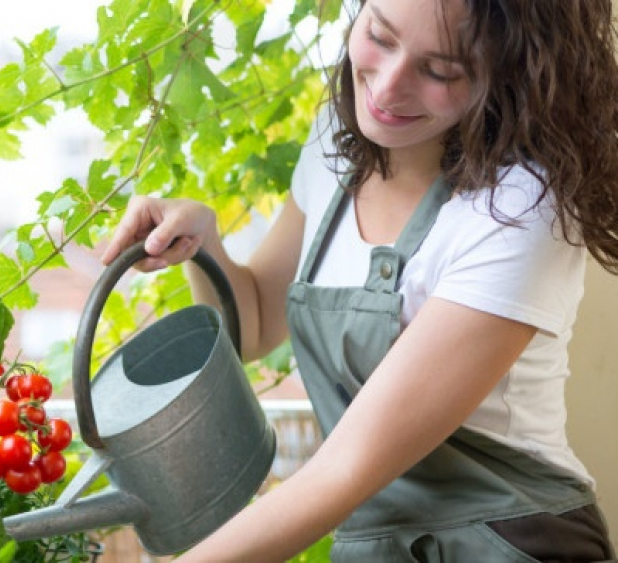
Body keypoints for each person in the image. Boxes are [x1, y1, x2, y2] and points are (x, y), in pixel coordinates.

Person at [101, 0, 618, 561]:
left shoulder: (519, 208)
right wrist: (205, 241)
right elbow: (252, 325)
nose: (387, 88)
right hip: (377, 543)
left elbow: (343, 472)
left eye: (439, 70)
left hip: (507, 542)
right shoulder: (334, 146)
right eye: (379, 34)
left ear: (504, 71)